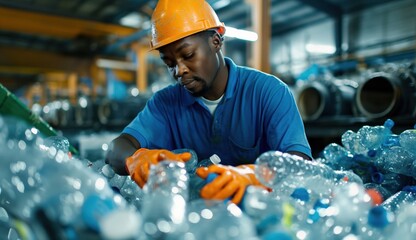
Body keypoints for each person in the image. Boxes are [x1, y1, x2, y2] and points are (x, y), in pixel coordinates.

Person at [105, 0, 312, 204]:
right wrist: (136, 159)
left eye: (187, 55)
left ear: (216, 41)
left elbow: (300, 161)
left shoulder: (269, 92)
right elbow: (117, 148)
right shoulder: (165, 104)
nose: (179, 70)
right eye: (169, 63)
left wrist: (256, 175)